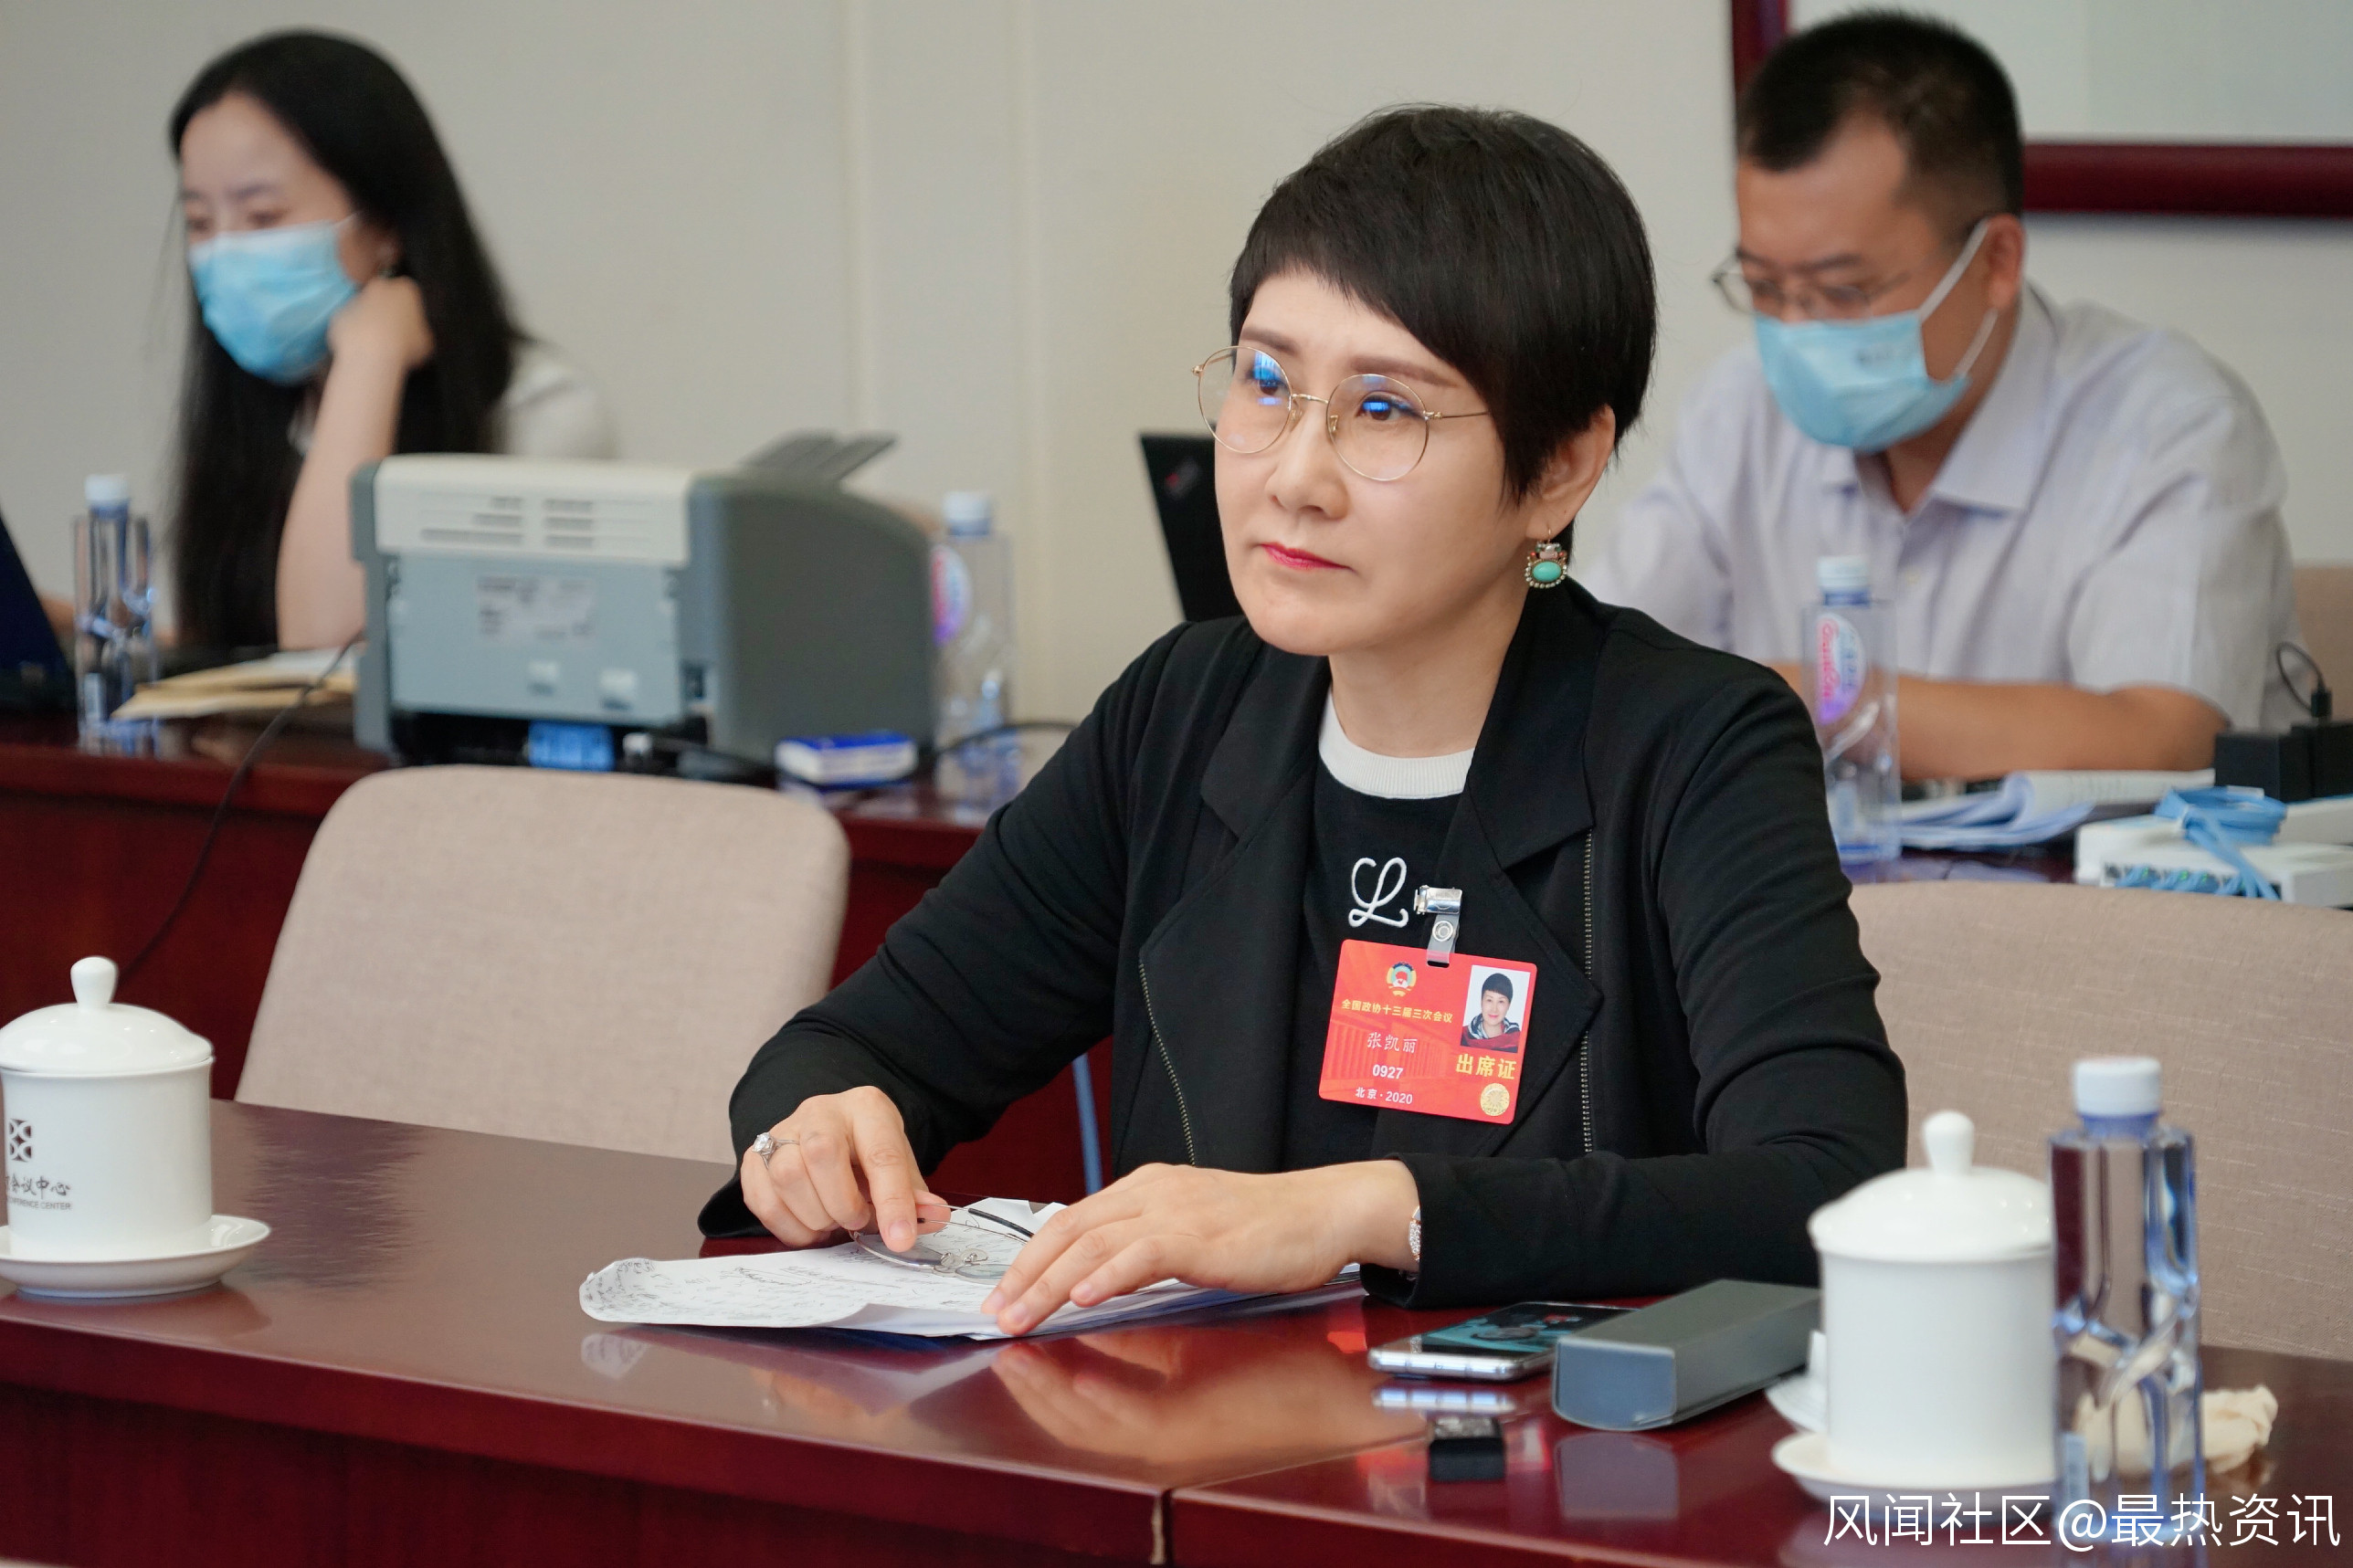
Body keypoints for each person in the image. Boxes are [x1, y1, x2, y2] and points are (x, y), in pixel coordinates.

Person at [702, 106, 1905, 1333]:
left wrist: (1370, 1209)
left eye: (1384, 411)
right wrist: (820, 1128)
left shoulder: (1693, 744)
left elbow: (1826, 1187)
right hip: (1195, 1428)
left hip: (1545, 1445)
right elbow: (849, 1051)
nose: (1292, 476)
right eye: (1267, 384)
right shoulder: (1183, 713)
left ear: (1558, 468)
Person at [1584, 12, 2300, 779]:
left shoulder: (2168, 423)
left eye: (1841, 290)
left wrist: (1800, 697)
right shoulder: (1740, 414)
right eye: (1764, 286)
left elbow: (2163, 737)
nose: (1794, 330)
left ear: (1996, 262)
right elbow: (1590, 671)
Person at [169, 31, 615, 652]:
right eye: (199, 222)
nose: (225, 253)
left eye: (264, 217)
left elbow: (327, 645)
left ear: (384, 226)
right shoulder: (267, 413)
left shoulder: (539, 410)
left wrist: (370, 358)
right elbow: (252, 660)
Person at [1461, 973, 1522, 1051]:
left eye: (1501, 1001)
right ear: (1481, 1002)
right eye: (1489, 1000)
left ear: (1508, 1005)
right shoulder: (1462, 1036)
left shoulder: (1518, 1041)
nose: (1494, 1009)